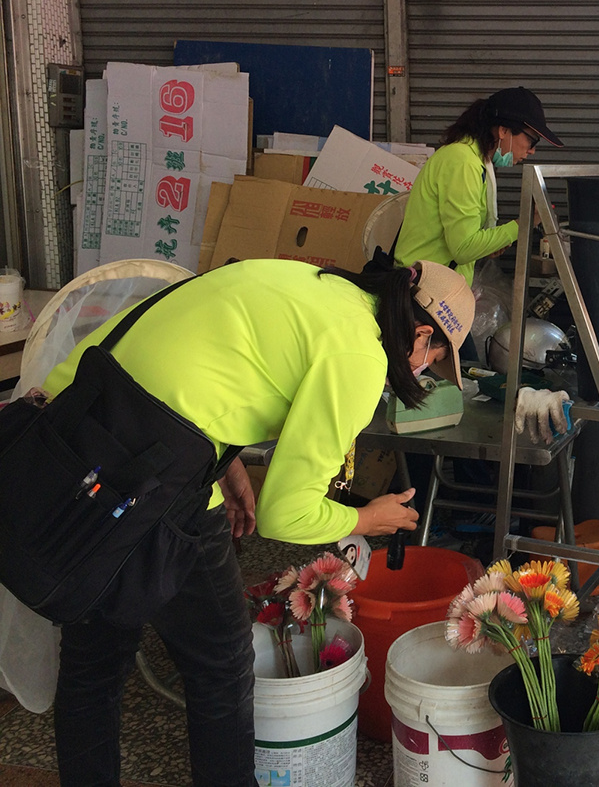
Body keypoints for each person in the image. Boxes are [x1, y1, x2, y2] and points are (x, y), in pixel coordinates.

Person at [41, 257, 474, 787]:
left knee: (94, 663)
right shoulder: (359, 352)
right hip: (149, 480)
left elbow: (210, 365)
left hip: (71, 436)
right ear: (422, 333)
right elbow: (285, 514)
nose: (426, 368)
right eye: (433, 356)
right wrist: (369, 516)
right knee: (222, 666)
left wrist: (228, 463)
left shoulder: (312, 283)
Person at [392, 86, 563, 287]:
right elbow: (464, 248)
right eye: (531, 140)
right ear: (504, 130)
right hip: (422, 287)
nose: (532, 151)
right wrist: (524, 223)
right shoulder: (462, 162)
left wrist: (489, 244)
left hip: (436, 284)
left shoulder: (476, 161)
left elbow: (464, 238)